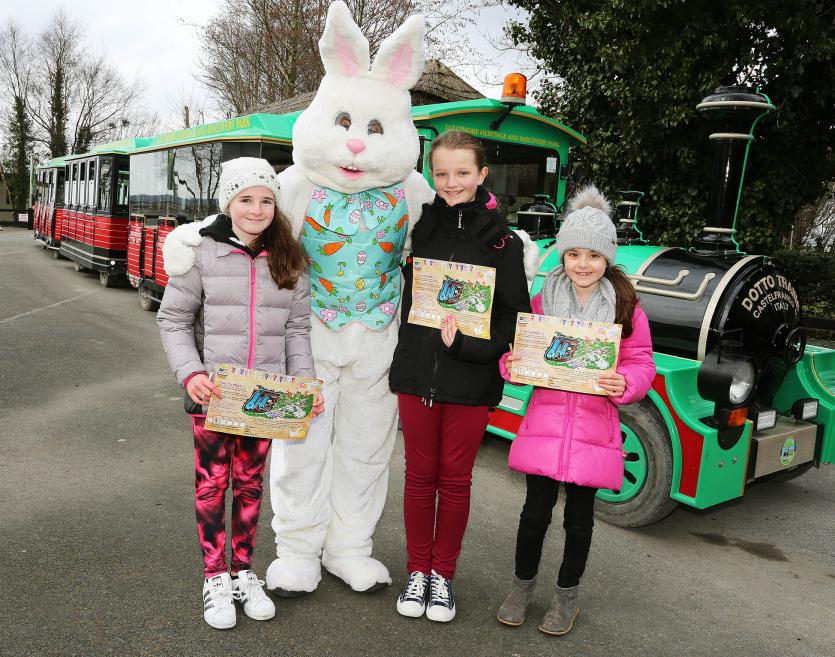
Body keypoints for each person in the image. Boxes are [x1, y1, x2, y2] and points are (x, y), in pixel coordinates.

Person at [157, 157, 323, 630]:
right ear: (228, 202)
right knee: (212, 485)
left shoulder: (291, 257)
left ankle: (242, 571)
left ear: (277, 204)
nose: (257, 209)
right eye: (246, 199)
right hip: (213, 395)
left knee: (250, 485)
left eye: (266, 200)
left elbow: (296, 331)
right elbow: (172, 320)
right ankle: (214, 576)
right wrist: (190, 373)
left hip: (264, 400)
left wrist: (305, 384)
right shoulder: (200, 252)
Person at [495, 185, 656, 636]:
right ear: (562, 256)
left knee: (579, 521)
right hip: (546, 424)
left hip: (594, 429)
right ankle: (521, 586)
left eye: (594, 256)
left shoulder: (626, 306)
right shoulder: (544, 300)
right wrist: (514, 363)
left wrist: (626, 383)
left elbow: (642, 361)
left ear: (608, 259)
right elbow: (522, 351)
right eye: (574, 254)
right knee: (534, 515)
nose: (583, 264)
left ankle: (567, 596)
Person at [388, 130, 532, 622]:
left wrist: (469, 346)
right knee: (416, 479)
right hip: (416, 377)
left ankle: (442, 578)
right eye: (443, 173)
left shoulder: (503, 241)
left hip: (470, 381)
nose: (451, 183)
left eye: (462, 173)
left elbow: (516, 318)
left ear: (482, 175)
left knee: (454, 482)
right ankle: (417, 572)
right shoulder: (419, 229)